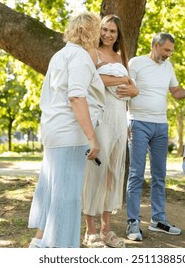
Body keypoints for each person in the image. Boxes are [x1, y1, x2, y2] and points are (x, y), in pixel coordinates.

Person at [27, 12, 105, 248]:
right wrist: (92, 138)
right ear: (90, 32)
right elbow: (76, 97)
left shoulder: (60, 55)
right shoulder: (79, 57)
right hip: (70, 134)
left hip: (54, 131)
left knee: (52, 192)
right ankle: (63, 251)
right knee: (67, 196)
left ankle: (38, 244)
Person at [125, 32, 185, 241]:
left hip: (161, 126)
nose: (168, 55)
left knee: (159, 175)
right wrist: (124, 122)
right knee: (136, 174)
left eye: (171, 51)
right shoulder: (135, 63)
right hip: (138, 123)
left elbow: (174, 91)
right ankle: (132, 222)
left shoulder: (168, 66)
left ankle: (158, 220)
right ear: (155, 45)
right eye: (166, 50)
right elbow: (127, 90)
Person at [82, 14, 138, 248]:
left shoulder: (122, 56)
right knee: (96, 172)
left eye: (112, 31)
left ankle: (107, 229)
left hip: (118, 118)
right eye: (104, 29)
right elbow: (92, 80)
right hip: (101, 117)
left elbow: (133, 89)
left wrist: (133, 90)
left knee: (114, 174)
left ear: (118, 35)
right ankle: (90, 231)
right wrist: (122, 80)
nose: (107, 34)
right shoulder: (92, 53)